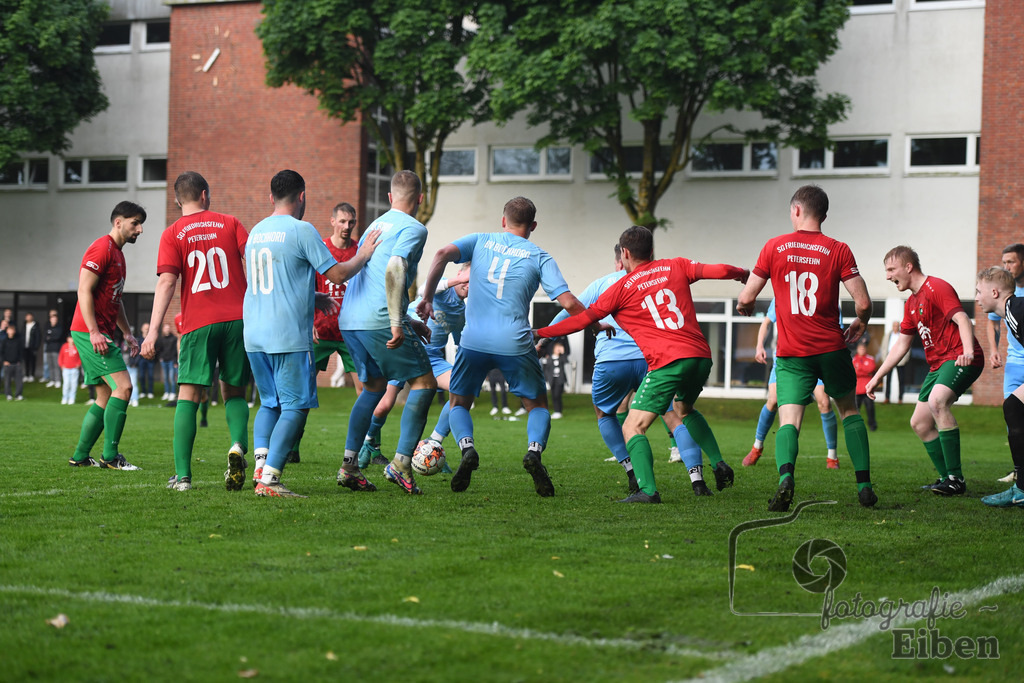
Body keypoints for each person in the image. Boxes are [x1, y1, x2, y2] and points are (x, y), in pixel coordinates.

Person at [538, 225, 744, 502]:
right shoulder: (676, 265)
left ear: (624, 253)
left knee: (631, 426)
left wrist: (541, 333)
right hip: (700, 356)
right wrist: (743, 274)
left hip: (664, 363)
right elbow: (717, 270)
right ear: (652, 250)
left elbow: (580, 319)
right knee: (681, 410)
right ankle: (716, 464)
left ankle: (647, 490)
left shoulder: (620, 287)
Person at [418, 197, 586, 498]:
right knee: (537, 406)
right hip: (515, 341)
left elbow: (442, 253)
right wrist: (596, 324)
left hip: (474, 341)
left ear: (503, 220)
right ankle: (533, 452)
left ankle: (467, 448)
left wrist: (428, 297)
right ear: (533, 226)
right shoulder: (540, 256)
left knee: (458, 403)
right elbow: (569, 302)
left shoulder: (480, 240)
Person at [737, 185, 876, 511]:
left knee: (789, 419)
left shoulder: (774, 246)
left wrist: (746, 306)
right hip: (831, 349)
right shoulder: (839, 249)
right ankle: (864, 486)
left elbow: (746, 297)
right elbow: (863, 303)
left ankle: (786, 478)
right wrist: (861, 322)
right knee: (849, 411)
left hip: (792, 353)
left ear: (796, 210)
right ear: (824, 215)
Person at [244, 169, 379, 498]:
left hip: (254, 334)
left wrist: (312, 296)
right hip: (286, 334)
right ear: (302, 196)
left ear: (271, 197)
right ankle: (270, 479)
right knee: (296, 406)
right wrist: (364, 254)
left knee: (270, 403)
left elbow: (270, 281)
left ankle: (260, 465)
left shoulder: (256, 231)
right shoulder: (302, 230)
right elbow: (339, 273)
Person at [141, 171, 254, 492]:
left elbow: (167, 282)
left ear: (178, 201)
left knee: (188, 396)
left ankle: (183, 477)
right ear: (205, 194)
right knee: (234, 391)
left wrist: (151, 333)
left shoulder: (172, 233)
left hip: (198, 322)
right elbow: (256, 260)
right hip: (238, 319)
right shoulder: (230, 223)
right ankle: (237, 446)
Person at [335, 170, 437, 496]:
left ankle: (349, 466)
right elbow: (394, 268)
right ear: (420, 199)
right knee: (425, 384)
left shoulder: (374, 225)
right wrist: (396, 321)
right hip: (379, 318)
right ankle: (401, 464)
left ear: (390, 197)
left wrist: (406, 318)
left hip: (350, 319)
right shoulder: (415, 228)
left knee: (373, 387)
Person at [864, 245, 983, 496]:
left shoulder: (937, 287)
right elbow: (901, 345)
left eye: (891, 269)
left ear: (908, 267)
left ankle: (956, 479)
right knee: (919, 423)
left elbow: (962, 318)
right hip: (938, 364)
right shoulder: (911, 303)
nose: (887, 276)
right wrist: (877, 376)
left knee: (937, 401)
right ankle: (945, 478)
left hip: (959, 357)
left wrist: (968, 351)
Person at [357, 269, 471, 469]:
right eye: (466, 278)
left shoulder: (461, 311)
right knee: (385, 404)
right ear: (460, 273)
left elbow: (461, 342)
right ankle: (368, 442)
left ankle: (433, 443)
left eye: (472, 281)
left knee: (462, 390)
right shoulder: (442, 287)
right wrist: (457, 279)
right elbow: (424, 289)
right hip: (406, 349)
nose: (467, 284)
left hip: (432, 359)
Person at [67, 201, 146, 470]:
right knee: (124, 387)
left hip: (98, 331)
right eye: (135, 223)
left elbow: (115, 298)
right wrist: (94, 332)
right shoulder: (102, 248)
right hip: (90, 332)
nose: (140, 229)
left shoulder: (118, 255)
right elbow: (83, 290)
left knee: (105, 395)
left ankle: (80, 457)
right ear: (118, 222)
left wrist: (128, 333)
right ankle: (110, 457)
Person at [286, 201, 364, 464]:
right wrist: (307, 321)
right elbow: (306, 286)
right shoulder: (320, 247)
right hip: (320, 330)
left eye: (351, 222)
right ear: (332, 222)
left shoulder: (360, 252)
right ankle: (292, 445)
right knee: (304, 389)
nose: (346, 226)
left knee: (366, 389)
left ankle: (369, 447)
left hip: (351, 332)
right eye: (342, 221)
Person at [743, 298, 841, 470]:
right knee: (773, 400)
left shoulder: (825, 293)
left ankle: (832, 456)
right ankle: (757, 447)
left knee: (824, 403)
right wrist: (759, 346)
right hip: (786, 357)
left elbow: (836, 329)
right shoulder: (783, 293)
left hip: (816, 357)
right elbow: (766, 323)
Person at [974, 266, 1024, 507]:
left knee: (1013, 406)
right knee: (1013, 407)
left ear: (994, 292)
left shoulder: (1017, 310)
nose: (976, 297)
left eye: (978, 291)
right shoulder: (1012, 312)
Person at [983, 243, 1024, 484]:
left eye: (1011, 262)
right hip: (1014, 364)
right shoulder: (1002, 295)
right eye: (1004, 262)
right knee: (1013, 413)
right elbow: (992, 322)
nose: (1007, 266)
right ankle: (1019, 472)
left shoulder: (1014, 303)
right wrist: (994, 350)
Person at [881, 321, 910, 404]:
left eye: (897, 326)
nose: (896, 327)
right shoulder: (888, 335)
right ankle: (887, 398)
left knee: (901, 380)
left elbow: (907, 347)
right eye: (894, 326)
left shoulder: (902, 336)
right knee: (888, 380)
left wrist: (905, 359)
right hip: (889, 359)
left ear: (899, 327)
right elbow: (883, 347)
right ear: (892, 326)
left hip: (900, 359)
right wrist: (884, 359)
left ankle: (900, 398)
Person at [852, 338, 878, 431]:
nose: (862, 350)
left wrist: (859, 369)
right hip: (857, 389)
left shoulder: (870, 358)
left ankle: (872, 425)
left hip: (868, 388)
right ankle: (855, 425)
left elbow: (871, 369)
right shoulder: (854, 359)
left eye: (863, 348)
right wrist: (864, 371)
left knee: (870, 408)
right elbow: (853, 372)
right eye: (860, 348)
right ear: (857, 349)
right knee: (855, 409)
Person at [155, 322, 178, 400]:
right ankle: (166, 392)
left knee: (172, 377)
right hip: (164, 361)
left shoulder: (174, 338)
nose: (167, 329)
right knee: (165, 377)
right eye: (165, 328)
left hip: (171, 360)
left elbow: (175, 351)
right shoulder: (161, 339)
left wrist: (175, 361)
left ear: (170, 329)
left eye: (168, 328)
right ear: (163, 329)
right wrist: (160, 358)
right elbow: (158, 349)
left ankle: (173, 393)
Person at [1, 324, 25, 400]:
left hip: (16, 364)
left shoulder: (18, 341)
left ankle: (18, 395)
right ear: (7, 331)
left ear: (14, 331)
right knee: (7, 380)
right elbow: (1, 352)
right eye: (9, 330)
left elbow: (21, 352)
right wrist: (4, 361)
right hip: (7, 364)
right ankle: (8, 394)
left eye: (12, 330)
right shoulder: (4, 341)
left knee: (19, 380)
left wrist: (19, 361)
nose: (11, 332)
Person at [59, 334, 81, 405]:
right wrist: (61, 365)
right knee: (66, 384)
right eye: (70, 338)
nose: (71, 340)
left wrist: (78, 364)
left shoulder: (77, 346)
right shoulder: (64, 346)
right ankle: (65, 398)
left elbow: (81, 356)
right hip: (66, 369)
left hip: (74, 369)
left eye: (73, 338)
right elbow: (60, 357)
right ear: (67, 339)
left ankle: (72, 398)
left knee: (73, 384)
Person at [44, 310, 64, 387]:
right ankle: (52, 380)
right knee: (50, 365)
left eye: (55, 319)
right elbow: (45, 337)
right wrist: (51, 337)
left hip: (56, 349)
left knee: (56, 365)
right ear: (50, 320)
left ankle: (58, 380)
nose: (54, 321)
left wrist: (50, 337)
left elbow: (57, 337)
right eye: (52, 319)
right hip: (48, 349)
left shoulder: (59, 327)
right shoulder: (48, 327)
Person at [137, 322, 155, 399]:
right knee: (142, 376)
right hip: (141, 360)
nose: (146, 330)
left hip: (150, 360)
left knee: (150, 376)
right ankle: (143, 391)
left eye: (148, 329)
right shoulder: (139, 339)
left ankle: (150, 392)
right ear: (142, 329)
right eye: (145, 328)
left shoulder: (152, 339)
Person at [22, 313, 40, 381]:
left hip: (32, 347)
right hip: (25, 346)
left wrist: (36, 347)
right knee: (26, 361)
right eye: (27, 317)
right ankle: (26, 375)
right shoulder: (24, 325)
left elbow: (38, 337)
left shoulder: (35, 326)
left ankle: (32, 375)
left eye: (30, 317)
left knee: (32, 361)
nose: (28, 318)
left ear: (32, 317)